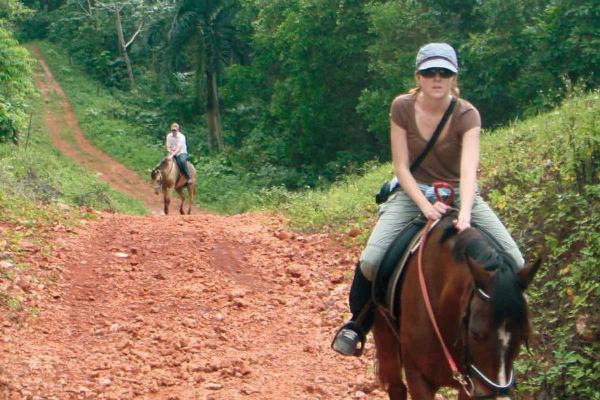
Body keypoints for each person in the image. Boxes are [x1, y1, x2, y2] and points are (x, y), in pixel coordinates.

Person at [331, 42, 525, 357]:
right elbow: (401, 167)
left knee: (516, 263)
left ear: (454, 78)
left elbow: (469, 170)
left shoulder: (468, 115)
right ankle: (358, 324)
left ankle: (507, 332)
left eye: (444, 72)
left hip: (462, 194)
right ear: (418, 77)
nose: (437, 78)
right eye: (430, 72)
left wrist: (463, 214)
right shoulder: (401, 108)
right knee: (371, 260)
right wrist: (425, 208)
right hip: (414, 192)